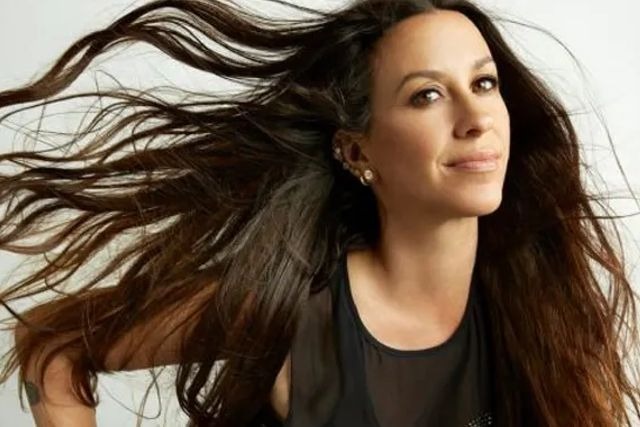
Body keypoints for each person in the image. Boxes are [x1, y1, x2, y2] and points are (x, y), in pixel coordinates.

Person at [0, 0, 638, 426]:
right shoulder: (293, 311)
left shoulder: (545, 307)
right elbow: (57, 345)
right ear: (358, 151)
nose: (475, 119)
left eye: (484, 84)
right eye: (427, 95)